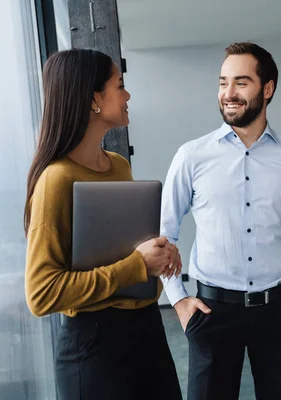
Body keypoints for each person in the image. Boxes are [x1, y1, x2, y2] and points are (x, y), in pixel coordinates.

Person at [160, 42, 281, 400]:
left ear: (267, 89)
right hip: (211, 312)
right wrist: (178, 300)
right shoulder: (192, 156)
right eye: (223, 83)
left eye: (241, 82)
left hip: (279, 312)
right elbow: (164, 233)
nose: (228, 94)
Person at [24, 49, 183, 400]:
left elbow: (122, 249)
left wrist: (160, 253)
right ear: (95, 99)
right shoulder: (55, 180)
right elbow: (41, 293)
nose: (127, 96)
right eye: (119, 86)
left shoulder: (118, 165)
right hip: (95, 348)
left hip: (147, 332)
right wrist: (136, 266)